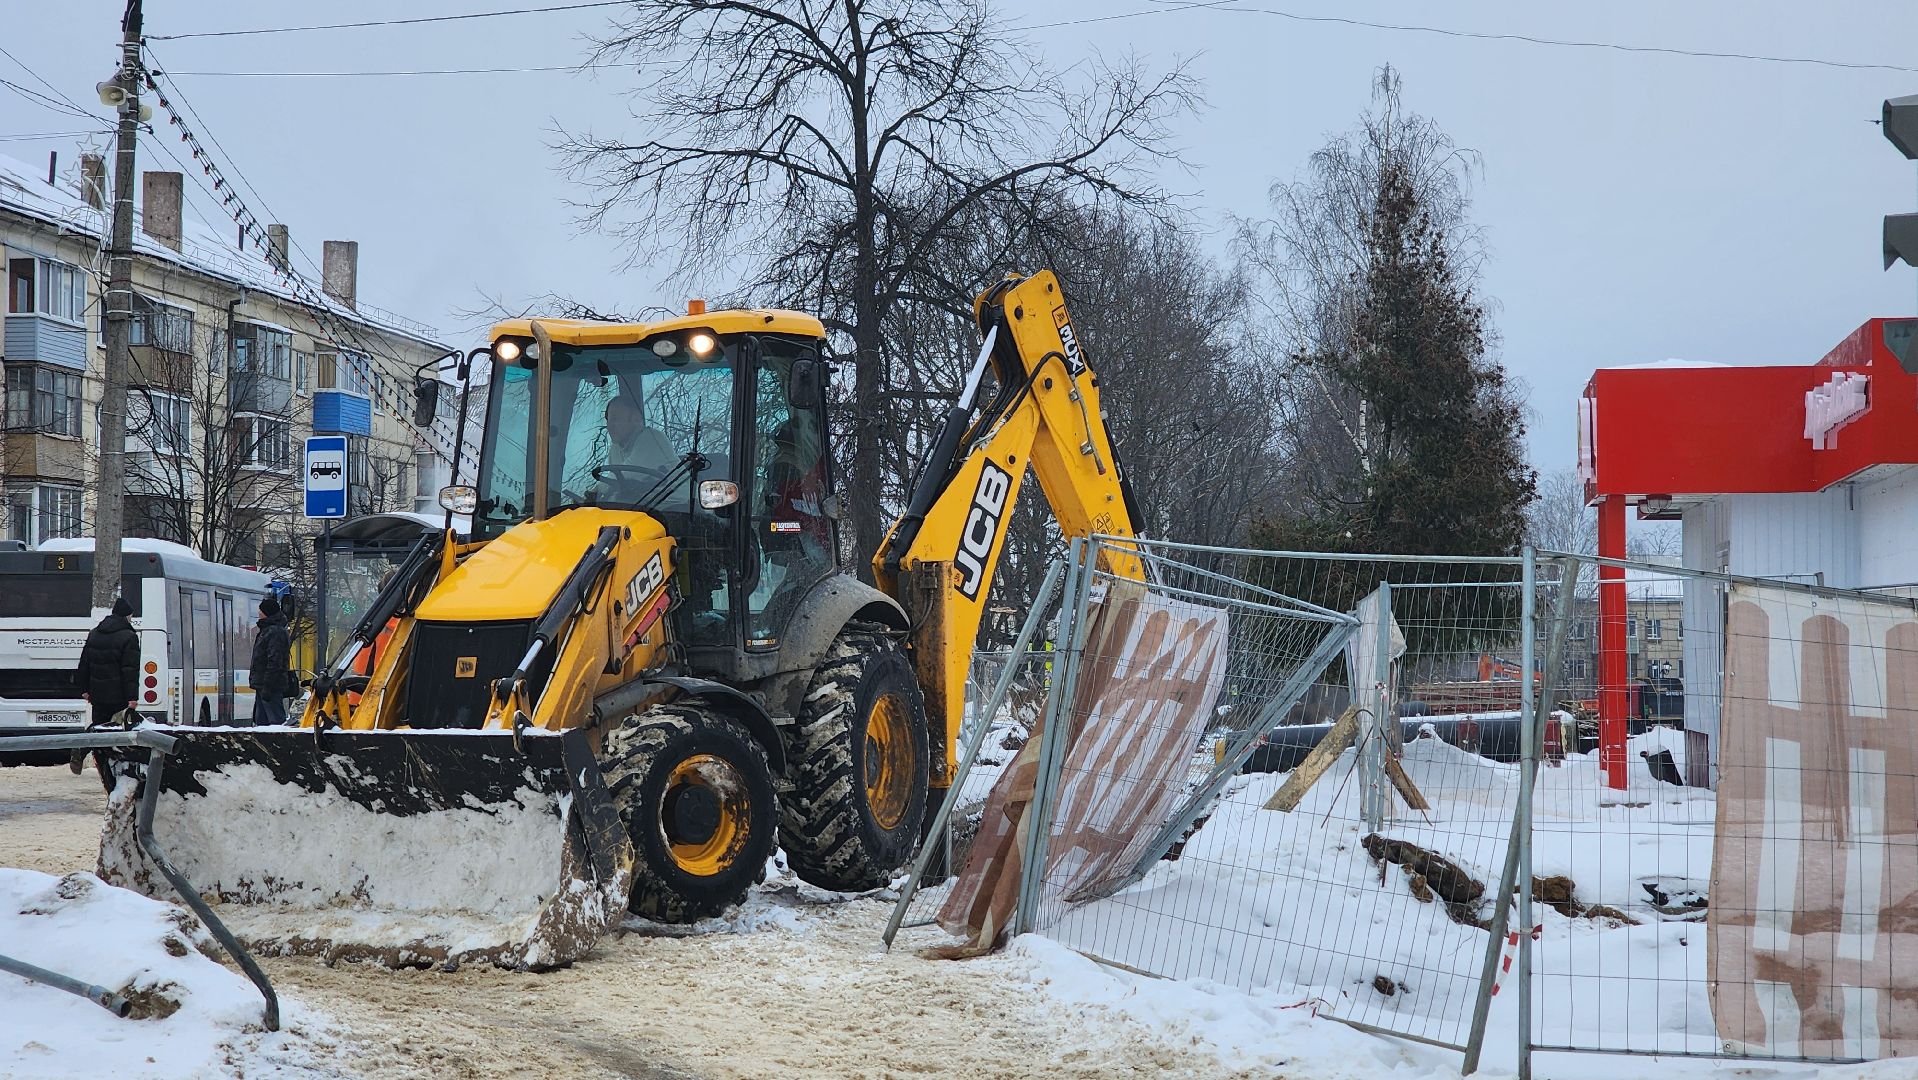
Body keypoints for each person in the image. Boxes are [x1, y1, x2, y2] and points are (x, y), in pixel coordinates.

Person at [74, 596, 139, 727]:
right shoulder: (129, 637)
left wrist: (84, 689)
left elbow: (84, 663)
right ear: (126, 616)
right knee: (117, 730)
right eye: (131, 616)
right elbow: (130, 670)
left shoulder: (94, 633)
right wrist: (132, 697)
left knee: (99, 728)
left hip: (97, 696)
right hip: (119, 697)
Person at [252, 597, 293, 725]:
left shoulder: (274, 632)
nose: (259, 613)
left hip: (270, 686)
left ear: (267, 612)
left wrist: (267, 686)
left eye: (261, 610)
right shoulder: (267, 630)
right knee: (262, 723)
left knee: (274, 722)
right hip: (264, 685)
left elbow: (275, 661)